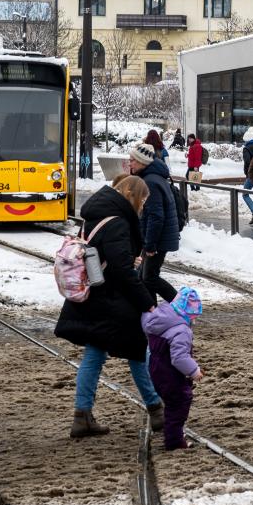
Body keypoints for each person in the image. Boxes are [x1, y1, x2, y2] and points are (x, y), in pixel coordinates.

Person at [55, 174, 165, 438]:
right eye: (143, 201)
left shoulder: (97, 213)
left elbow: (107, 256)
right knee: (138, 351)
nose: (142, 207)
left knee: (95, 353)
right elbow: (121, 271)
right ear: (133, 196)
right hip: (113, 300)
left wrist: (127, 261)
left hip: (96, 297)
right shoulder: (118, 223)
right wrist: (148, 303)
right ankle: (156, 409)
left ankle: (82, 416)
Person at [142, 286, 203, 451]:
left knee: (171, 403)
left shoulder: (156, 320)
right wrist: (194, 371)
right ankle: (175, 441)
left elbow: (145, 317)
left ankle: (173, 436)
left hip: (156, 370)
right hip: (171, 374)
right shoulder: (182, 331)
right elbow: (179, 358)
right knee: (179, 403)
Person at [128, 143, 180, 303]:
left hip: (158, 240)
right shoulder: (153, 177)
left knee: (149, 277)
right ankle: (152, 314)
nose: (130, 164)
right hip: (156, 238)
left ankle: (182, 305)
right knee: (144, 278)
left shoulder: (150, 181)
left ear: (142, 162)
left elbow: (156, 216)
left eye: (133, 160)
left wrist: (150, 245)